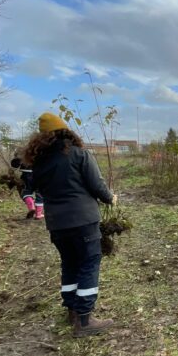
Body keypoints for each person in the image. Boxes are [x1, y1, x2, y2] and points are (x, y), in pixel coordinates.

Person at [23, 113, 116, 337]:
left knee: (69, 264)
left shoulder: (38, 163)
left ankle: (72, 312)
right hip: (83, 221)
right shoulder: (78, 154)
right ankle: (85, 320)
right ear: (67, 132)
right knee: (89, 263)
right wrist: (110, 198)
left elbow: (38, 189)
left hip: (56, 224)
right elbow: (97, 185)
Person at [10, 153, 44, 219]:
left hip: (26, 175)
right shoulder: (42, 151)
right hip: (39, 175)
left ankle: (31, 207)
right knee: (39, 194)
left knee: (26, 192)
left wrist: (12, 169)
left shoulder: (24, 152)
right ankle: (38, 214)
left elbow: (15, 163)